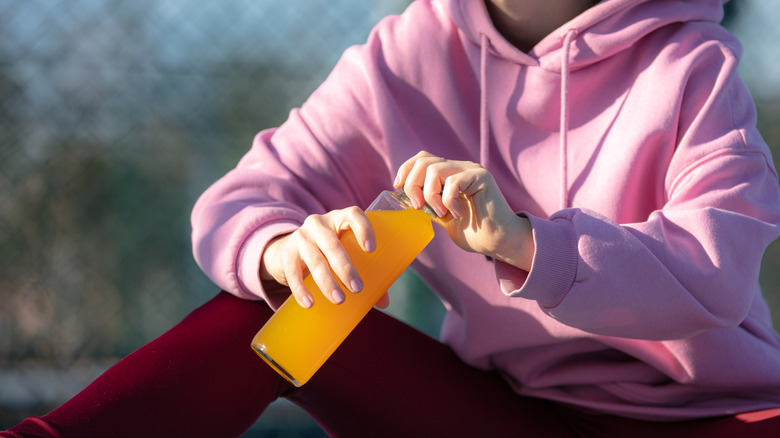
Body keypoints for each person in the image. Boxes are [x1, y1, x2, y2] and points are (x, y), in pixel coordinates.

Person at [5, 0, 780, 436]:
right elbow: (240, 202)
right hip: (502, 418)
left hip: (706, 421)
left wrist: (525, 243)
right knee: (271, 309)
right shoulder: (407, 51)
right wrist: (281, 248)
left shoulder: (693, 67)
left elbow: (713, 274)